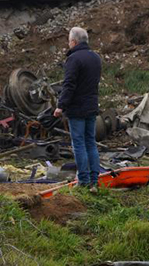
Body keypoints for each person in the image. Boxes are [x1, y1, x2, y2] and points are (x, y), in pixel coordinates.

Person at [54, 27, 101, 190]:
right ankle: (95, 181)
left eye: (69, 41)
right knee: (91, 142)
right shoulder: (96, 58)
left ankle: (83, 180)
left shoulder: (73, 59)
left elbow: (69, 85)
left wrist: (61, 106)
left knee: (79, 143)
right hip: (92, 107)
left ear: (73, 42)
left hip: (77, 109)